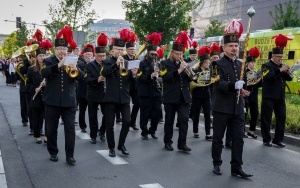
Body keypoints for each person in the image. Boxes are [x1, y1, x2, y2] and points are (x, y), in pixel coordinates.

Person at [211, 20, 252, 178]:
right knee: (218, 139)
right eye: (231, 46)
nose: (234, 48)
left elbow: (241, 85)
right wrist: (234, 85)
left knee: (238, 139)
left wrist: (243, 91)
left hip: (237, 108)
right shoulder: (217, 64)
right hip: (222, 107)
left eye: (236, 46)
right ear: (224, 48)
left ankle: (236, 167)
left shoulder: (241, 64)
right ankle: (217, 163)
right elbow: (218, 83)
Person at [41, 25, 82, 165]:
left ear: (67, 50)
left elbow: (81, 78)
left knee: (70, 130)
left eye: (64, 49)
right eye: (59, 49)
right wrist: (59, 65)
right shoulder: (48, 61)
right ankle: (53, 152)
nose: (62, 51)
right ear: (55, 50)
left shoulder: (73, 60)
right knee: (51, 129)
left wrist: (75, 68)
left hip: (69, 101)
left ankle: (70, 155)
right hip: (52, 101)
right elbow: (44, 73)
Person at [101, 33, 138, 157]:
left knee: (127, 121)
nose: (120, 51)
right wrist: (116, 64)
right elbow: (105, 73)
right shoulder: (107, 62)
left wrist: (133, 75)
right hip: (111, 97)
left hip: (124, 97)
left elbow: (132, 81)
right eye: (118, 49)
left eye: (122, 49)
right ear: (112, 51)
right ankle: (111, 147)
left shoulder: (128, 63)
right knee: (110, 125)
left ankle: (121, 144)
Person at [161, 31, 192, 152]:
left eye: (181, 53)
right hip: (170, 97)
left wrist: (189, 70)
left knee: (184, 120)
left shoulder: (184, 64)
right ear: (172, 53)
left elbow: (190, 79)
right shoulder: (164, 63)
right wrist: (179, 70)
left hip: (183, 97)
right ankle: (168, 142)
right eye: (177, 53)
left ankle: (182, 144)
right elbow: (165, 78)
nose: (179, 56)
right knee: (169, 121)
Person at [260, 34, 293, 147]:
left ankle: (278, 139)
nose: (280, 58)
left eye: (281, 56)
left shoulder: (282, 66)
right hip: (268, 96)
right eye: (278, 56)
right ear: (273, 56)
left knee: (281, 118)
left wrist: (287, 72)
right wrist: (280, 70)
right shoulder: (265, 65)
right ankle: (266, 139)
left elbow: (289, 78)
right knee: (266, 119)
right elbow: (267, 77)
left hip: (280, 97)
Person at [137, 32, 163, 140]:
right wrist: (150, 75)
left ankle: (153, 131)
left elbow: (162, 75)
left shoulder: (158, 63)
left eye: (155, 54)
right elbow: (139, 77)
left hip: (156, 91)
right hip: (145, 92)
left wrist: (159, 74)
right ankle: (144, 131)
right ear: (147, 53)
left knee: (157, 113)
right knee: (145, 113)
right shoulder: (142, 63)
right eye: (152, 54)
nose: (154, 56)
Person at [27, 40, 52, 144]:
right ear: (36, 57)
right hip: (36, 96)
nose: (42, 57)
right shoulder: (31, 69)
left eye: (43, 55)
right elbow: (27, 84)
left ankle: (46, 136)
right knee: (37, 117)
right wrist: (34, 89)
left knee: (48, 118)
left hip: (47, 96)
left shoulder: (49, 68)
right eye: (40, 55)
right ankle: (37, 135)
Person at [85, 33, 107, 144]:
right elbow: (87, 80)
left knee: (107, 115)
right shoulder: (89, 65)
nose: (102, 58)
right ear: (95, 55)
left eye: (104, 56)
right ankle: (93, 135)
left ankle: (102, 132)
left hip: (105, 94)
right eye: (100, 56)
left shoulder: (108, 64)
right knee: (92, 116)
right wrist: (97, 80)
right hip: (93, 93)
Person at [191, 46, 212, 140]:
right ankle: (195, 131)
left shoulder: (209, 71)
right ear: (202, 63)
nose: (208, 64)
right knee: (196, 114)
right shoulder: (196, 71)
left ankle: (208, 133)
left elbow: (211, 83)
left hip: (207, 95)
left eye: (208, 62)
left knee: (208, 114)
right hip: (197, 95)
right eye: (207, 62)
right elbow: (193, 81)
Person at [123, 32, 139, 131]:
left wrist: (136, 73)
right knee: (125, 105)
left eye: (133, 49)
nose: (132, 51)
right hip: (126, 84)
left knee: (137, 103)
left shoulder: (136, 59)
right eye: (131, 49)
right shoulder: (123, 59)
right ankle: (125, 120)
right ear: (127, 50)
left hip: (135, 85)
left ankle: (132, 122)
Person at [77, 44, 94, 133]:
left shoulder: (94, 64)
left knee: (92, 112)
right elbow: (80, 77)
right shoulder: (80, 64)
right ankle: (82, 125)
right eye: (87, 55)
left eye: (91, 55)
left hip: (91, 91)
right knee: (82, 110)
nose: (89, 56)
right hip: (82, 91)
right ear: (83, 55)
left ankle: (93, 128)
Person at [244, 47, 261, 139]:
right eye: (251, 62)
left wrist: (260, 78)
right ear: (247, 63)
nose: (253, 64)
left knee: (255, 114)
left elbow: (259, 85)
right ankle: (242, 130)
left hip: (254, 96)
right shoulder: (244, 72)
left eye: (254, 62)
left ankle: (251, 131)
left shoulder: (256, 72)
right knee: (244, 113)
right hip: (246, 95)